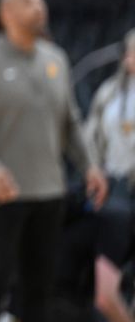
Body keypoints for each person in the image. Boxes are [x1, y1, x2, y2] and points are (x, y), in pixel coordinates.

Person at [0, 0, 108, 322]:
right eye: (27, 0)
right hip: (1, 193)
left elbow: (71, 122)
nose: (39, 6)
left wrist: (90, 165)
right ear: (6, 14)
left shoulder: (56, 58)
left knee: (40, 287)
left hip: (49, 190)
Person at [84, 28, 135, 322]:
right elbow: (91, 139)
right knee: (107, 270)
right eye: (130, 52)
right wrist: (95, 170)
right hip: (115, 189)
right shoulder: (109, 93)